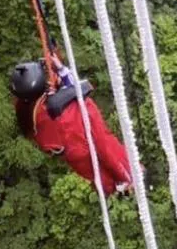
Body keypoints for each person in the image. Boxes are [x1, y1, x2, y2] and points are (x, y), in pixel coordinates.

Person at [9, 59, 133, 195]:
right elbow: (99, 137)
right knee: (107, 154)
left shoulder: (27, 109)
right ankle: (126, 180)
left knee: (102, 175)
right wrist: (125, 176)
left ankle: (119, 183)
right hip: (79, 145)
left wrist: (59, 71)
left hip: (74, 153)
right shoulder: (55, 112)